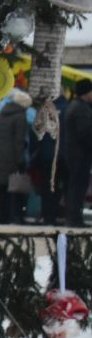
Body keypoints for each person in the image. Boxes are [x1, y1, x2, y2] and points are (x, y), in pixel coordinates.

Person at [0, 89, 32, 225]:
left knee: (1, 189)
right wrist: (20, 160)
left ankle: (2, 217)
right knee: (15, 189)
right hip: (11, 157)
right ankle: (16, 217)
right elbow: (19, 141)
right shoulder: (20, 117)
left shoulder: (2, 114)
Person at [60, 79, 91, 228]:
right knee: (78, 186)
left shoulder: (72, 106)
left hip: (72, 152)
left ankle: (73, 217)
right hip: (80, 154)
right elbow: (85, 133)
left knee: (74, 186)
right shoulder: (82, 109)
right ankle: (74, 218)